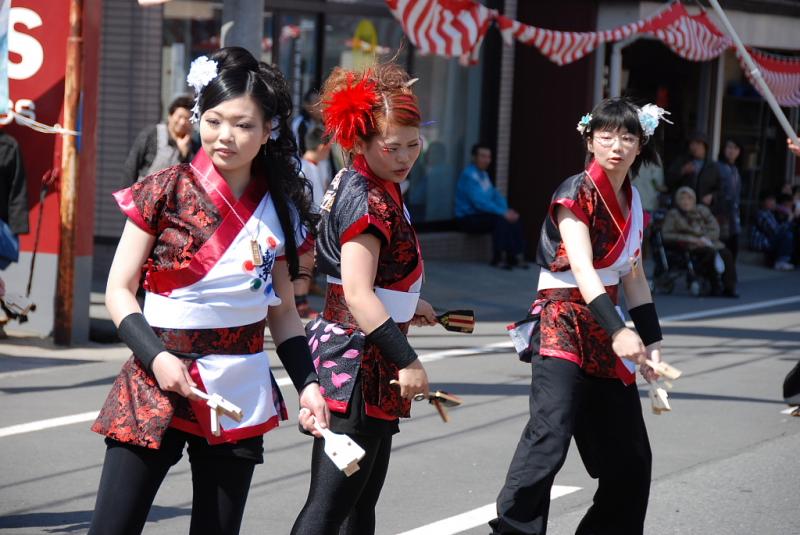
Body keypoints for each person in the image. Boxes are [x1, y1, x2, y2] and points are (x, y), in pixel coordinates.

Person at [88, 47, 328, 535]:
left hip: (238, 382)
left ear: (269, 132)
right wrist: (156, 358)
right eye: (215, 121)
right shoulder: (164, 189)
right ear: (199, 118)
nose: (226, 136)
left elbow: (282, 314)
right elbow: (119, 288)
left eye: (243, 125)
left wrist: (308, 383)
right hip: (156, 375)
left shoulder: (279, 206)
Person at [490, 98, 668, 535]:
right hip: (563, 320)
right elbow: (584, 268)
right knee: (550, 436)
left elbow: (635, 277)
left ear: (641, 145)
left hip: (606, 326)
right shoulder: (574, 191)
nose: (617, 146)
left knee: (631, 460)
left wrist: (652, 344)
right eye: (606, 136)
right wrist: (619, 330)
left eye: (628, 137)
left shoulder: (635, 201)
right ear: (589, 139)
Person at [291, 61, 437, 535]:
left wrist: (406, 304)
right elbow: (355, 291)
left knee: (358, 503)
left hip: (360, 358)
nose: (405, 157)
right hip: (355, 364)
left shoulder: (369, 183)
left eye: (414, 145)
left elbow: (361, 282)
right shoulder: (367, 197)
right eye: (393, 147)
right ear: (359, 142)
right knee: (332, 507)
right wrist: (408, 360)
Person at [455, 143, 526, 269]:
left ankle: (514, 256)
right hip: (467, 218)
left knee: (513, 218)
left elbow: (496, 196)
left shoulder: (484, 175)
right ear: (474, 157)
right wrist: (502, 213)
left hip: (481, 215)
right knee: (500, 220)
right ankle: (498, 259)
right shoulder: (469, 175)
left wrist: (506, 211)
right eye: (482, 156)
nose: (486, 160)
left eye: (488, 157)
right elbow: (479, 203)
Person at [661, 187, 738, 297]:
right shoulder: (674, 214)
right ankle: (714, 285)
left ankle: (729, 287)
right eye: (682, 199)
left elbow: (715, 228)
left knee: (726, 253)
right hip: (689, 245)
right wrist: (691, 239)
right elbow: (667, 235)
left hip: (709, 241)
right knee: (709, 254)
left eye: (689, 198)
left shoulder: (701, 210)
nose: (686, 202)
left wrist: (706, 239)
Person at [294, 125, 332, 319]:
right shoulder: (302, 169)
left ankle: (300, 301)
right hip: (304, 224)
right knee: (304, 264)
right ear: (321, 148)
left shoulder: (311, 166)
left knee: (306, 265)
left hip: (310, 223)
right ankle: (299, 302)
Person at [121, 95, 199, 185]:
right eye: (180, 116)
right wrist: (127, 195)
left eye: (187, 119)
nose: (182, 122)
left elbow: (191, 181)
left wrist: (184, 155)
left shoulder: (194, 147)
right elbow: (131, 166)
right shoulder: (151, 134)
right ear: (170, 116)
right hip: (143, 195)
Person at [666, 131, 719, 207]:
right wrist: (682, 171)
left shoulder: (712, 166)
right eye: (692, 144)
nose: (695, 147)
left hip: (703, 208)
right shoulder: (681, 161)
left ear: (705, 147)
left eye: (698, 144)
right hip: (682, 207)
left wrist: (712, 196)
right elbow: (668, 181)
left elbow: (719, 189)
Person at [750, 192, 795, 271]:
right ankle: (781, 262)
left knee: (791, 232)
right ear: (763, 202)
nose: (773, 203)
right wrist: (789, 220)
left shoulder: (770, 213)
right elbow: (775, 231)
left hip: (769, 241)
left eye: (774, 200)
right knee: (787, 235)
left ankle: (786, 260)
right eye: (770, 200)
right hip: (762, 243)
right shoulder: (762, 213)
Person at [716, 138, 743, 260]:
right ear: (723, 149)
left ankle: (729, 275)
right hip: (721, 213)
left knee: (734, 245)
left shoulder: (736, 169)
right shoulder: (717, 167)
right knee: (723, 246)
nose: (732, 151)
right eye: (729, 147)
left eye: (735, 148)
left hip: (734, 214)